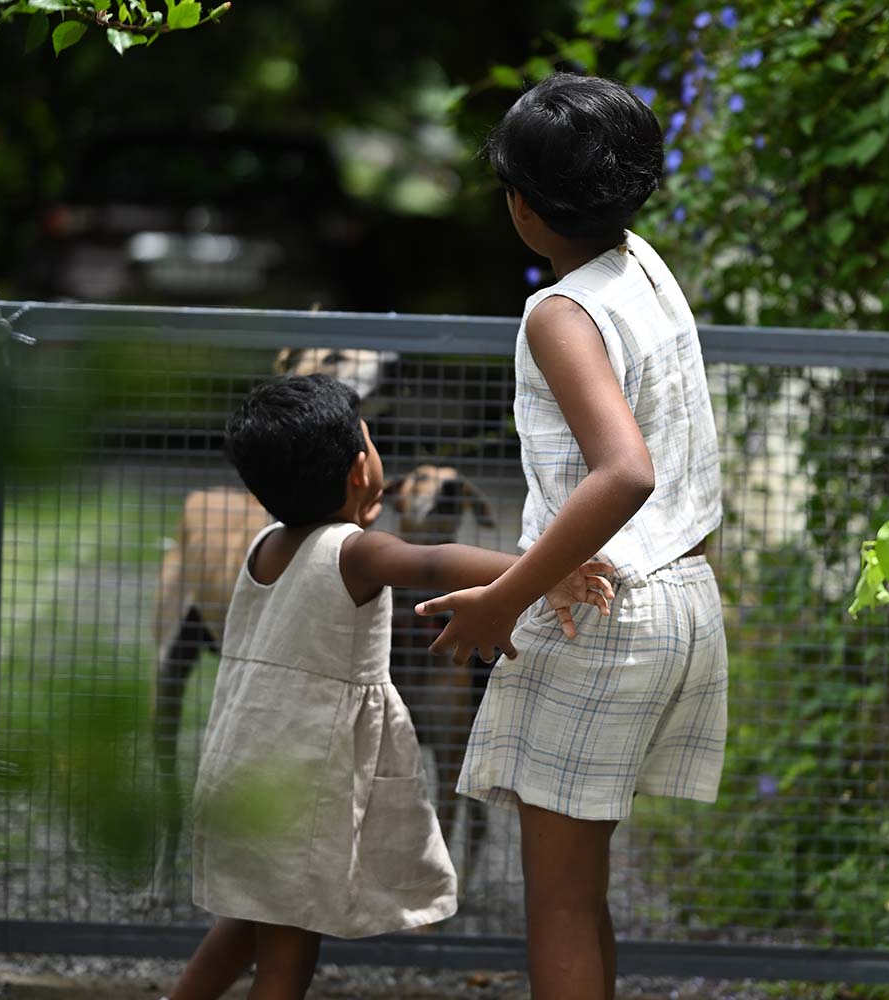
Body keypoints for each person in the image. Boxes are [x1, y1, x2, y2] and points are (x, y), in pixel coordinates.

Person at [414, 73, 728, 1000]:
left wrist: (500, 598)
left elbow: (625, 472)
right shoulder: (643, 265)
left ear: (523, 206)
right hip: (683, 597)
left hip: (600, 609)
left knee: (556, 906)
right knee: (581, 897)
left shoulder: (562, 312)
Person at [163, 373, 615, 1000]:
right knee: (289, 951)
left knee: (247, 919)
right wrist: (545, 571)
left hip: (241, 767)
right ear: (360, 470)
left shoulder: (264, 545)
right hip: (301, 780)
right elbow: (434, 561)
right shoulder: (353, 552)